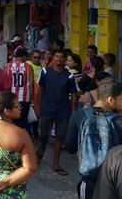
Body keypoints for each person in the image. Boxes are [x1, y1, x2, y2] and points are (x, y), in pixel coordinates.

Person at [65, 78, 122, 198]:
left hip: (88, 182)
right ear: (111, 100)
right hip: (114, 182)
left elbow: (70, 148)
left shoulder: (79, 115)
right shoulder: (119, 122)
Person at [34, 49, 78, 177]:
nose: (59, 59)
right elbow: (39, 90)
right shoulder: (45, 72)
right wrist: (37, 107)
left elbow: (73, 95)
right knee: (43, 135)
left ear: (64, 60)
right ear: (53, 57)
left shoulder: (69, 76)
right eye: (57, 56)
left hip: (63, 111)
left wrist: (73, 112)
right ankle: (40, 151)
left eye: (61, 57)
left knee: (59, 137)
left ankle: (56, 164)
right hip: (47, 109)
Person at [6, 48, 33, 129]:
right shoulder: (28, 67)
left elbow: (7, 82)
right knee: (23, 120)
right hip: (25, 97)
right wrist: (32, 97)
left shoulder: (9, 66)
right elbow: (31, 84)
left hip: (12, 97)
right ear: (22, 57)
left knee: (12, 119)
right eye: (25, 56)